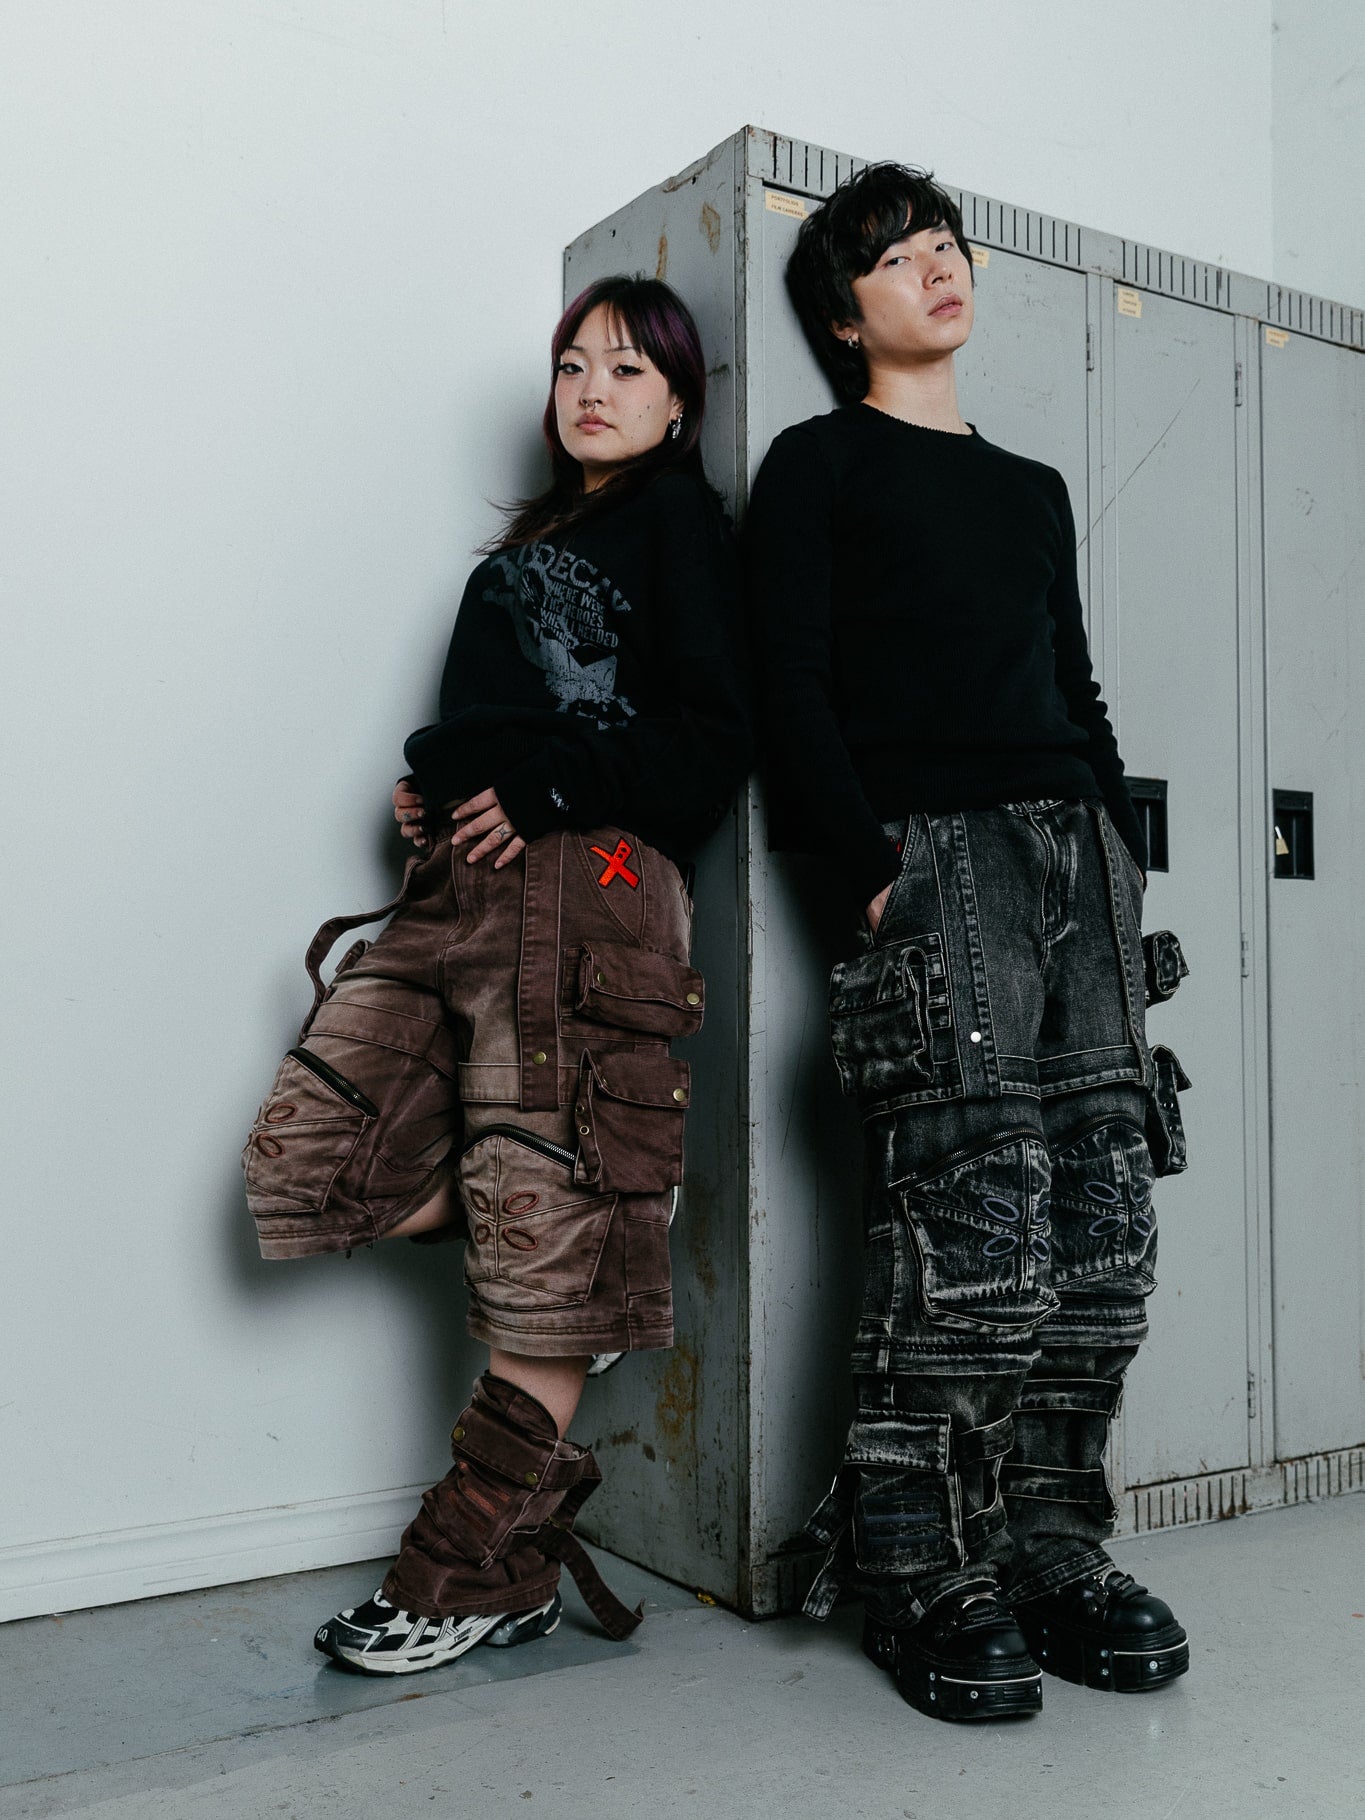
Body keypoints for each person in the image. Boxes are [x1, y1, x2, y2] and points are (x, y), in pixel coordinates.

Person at [242, 275, 749, 1676]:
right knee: (303, 1163)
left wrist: (544, 785)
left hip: (591, 891)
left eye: (628, 369)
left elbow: (711, 741)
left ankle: (470, 1570)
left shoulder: (683, 530)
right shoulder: (519, 550)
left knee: (542, 1247)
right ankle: (562, 1222)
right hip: (455, 893)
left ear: (679, 402)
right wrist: (436, 790)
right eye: (572, 365)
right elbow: (499, 720)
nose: (593, 389)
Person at [745, 164, 1192, 1723]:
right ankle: (918, 1565)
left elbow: (1075, 687)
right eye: (896, 256)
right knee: (971, 1224)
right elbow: (788, 686)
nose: (937, 266)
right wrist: (870, 877)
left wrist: (1116, 858)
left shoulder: (1030, 490)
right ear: (840, 313)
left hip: (1074, 868)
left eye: (946, 245)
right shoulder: (817, 464)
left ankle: (1053, 1548)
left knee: (1104, 1227)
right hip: (935, 863)